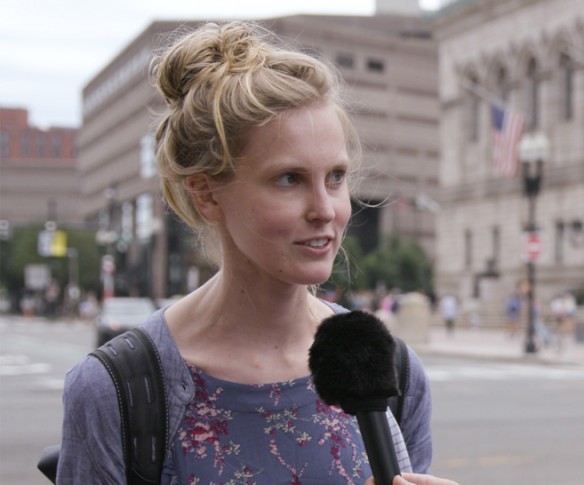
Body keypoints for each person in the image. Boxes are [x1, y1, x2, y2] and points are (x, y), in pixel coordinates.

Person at [57, 21, 450, 484]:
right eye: (289, 179)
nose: (325, 210)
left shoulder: (391, 370)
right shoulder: (116, 391)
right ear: (206, 193)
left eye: (336, 177)